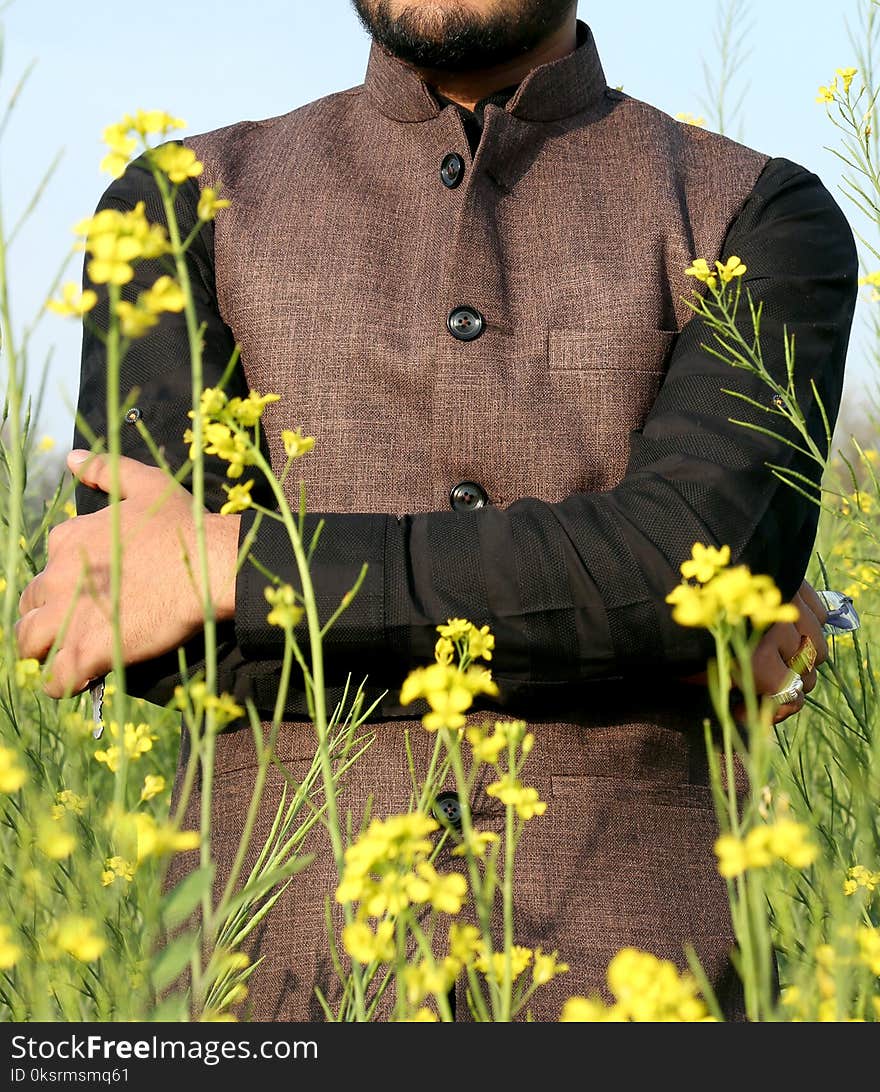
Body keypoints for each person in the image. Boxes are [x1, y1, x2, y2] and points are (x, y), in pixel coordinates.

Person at [16, 2, 857, 1020]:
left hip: (652, 999)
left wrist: (230, 566)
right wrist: (641, 618)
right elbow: (135, 624)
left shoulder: (759, 212)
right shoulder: (174, 205)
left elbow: (684, 566)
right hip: (270, 995)